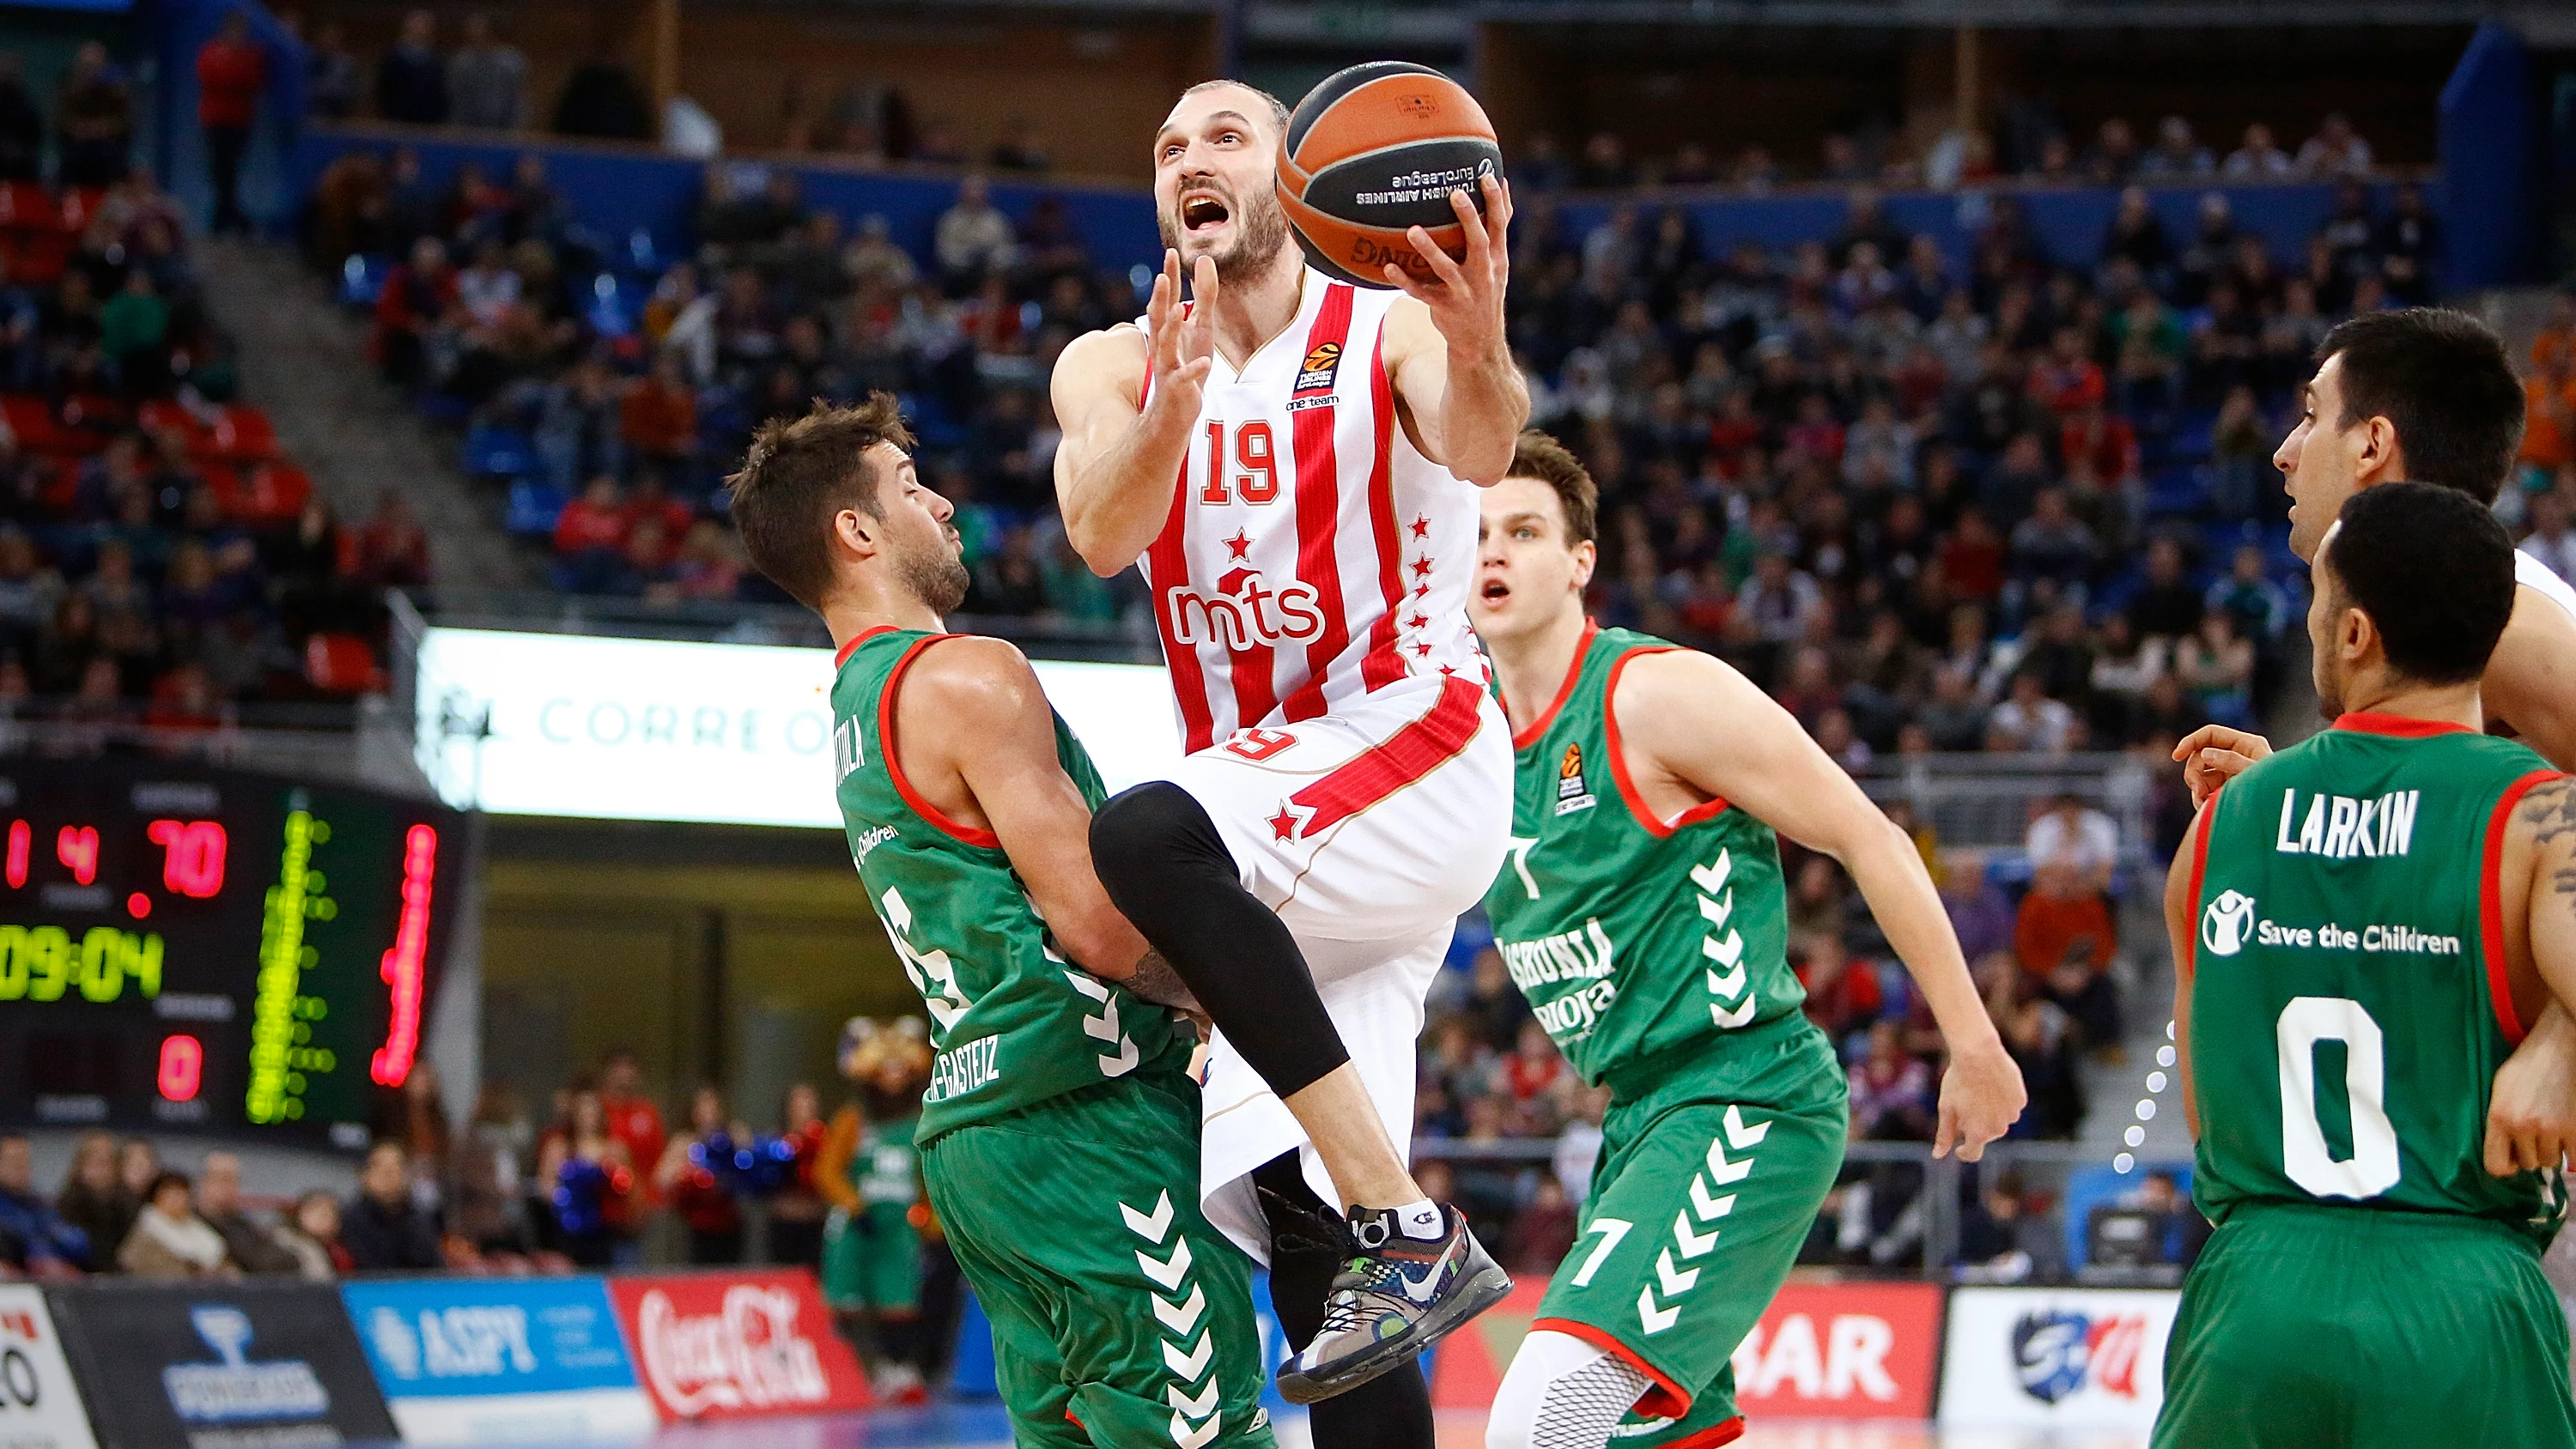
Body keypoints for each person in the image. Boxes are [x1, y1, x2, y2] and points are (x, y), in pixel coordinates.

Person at [1049, 77, 1524, 1415]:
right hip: (1276, 838)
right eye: (1166, 148)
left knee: (1138, 833)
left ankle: (1408, 1213)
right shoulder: (1110, 362)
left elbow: (1484, 438)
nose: (1189, 160)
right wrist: (1169, 415)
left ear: (1296, 177)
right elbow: (1102, 532)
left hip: (1406, 746)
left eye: (1223, 137)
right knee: (1322, 1264)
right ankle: (1387, 1230)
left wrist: (1479, 335)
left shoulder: (1387, 331)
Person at [726, 395, 1275, 1446]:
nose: (938, 499)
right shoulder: (970, 673)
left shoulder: (855, 710)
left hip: (975, 1141)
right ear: (858, 532)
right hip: (1086, 1114)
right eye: (905, 484)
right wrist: (1248, 995)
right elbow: (1104, 932)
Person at [1473, 432, 2023, 1449]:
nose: (1491, 554)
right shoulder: (1465, 746)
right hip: (1642, 1119)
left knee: (1545, 1417)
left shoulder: (1653, 693)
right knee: (1643, 1438)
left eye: (1522, 530)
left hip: (1743, 1093)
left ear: (1579, 560)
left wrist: (1972, 1037)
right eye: (1472, 536)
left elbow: (1869, 833)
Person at [2155, 482, 2576, 1446]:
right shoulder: (2545, 816)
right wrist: (2557, 1041)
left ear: (2352, 633)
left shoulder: (2225, 820)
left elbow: (2206, 1103)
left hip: (2254, 1300)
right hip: (2463, 1300)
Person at [2172, 309, 2576, 1171]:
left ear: (2373, 444)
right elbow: (2474, 844)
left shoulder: (2497, 609)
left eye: (2313, 413)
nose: (2285, 450)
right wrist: (2306, 793)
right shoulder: (2423, 593)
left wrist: (2563, 1041)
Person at [818, 1016, 934, 1404]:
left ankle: (896, 1368)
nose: (893, 1077)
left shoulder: (922, 1122)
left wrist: (932, 1224)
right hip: (856, 1224)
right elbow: (827, 1170)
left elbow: (930, 1181)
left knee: (899, 1301)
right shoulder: (853, 1120)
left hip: (899, 1227)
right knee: (843, 1299)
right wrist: (853, 1204)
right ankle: (842, 1371)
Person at [195, 9, 265, 235]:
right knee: (218, 169)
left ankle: (224, 218)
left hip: (239, 121)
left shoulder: (250, 56)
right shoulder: (211, 52)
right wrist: (230, 76)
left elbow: (251, 81)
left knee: (231, 169)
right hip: (215, 120)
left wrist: (232, 76)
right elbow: (210, 77)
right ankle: (231, 218)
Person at [342, 1140, 442, 1271]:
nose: (390, 1174)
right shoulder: (346, 1222)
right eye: (379, 1166)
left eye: (398, 1166)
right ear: (363, 1174)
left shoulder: (420, 1220)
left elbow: (433, 1269)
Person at [197, 1151, 301, 1276]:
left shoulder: (242, 1223)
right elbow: (253, 1261)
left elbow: (291, 1260)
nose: (229, 1187)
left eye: (234, 1180)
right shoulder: (196, 1222)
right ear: (203, 1183)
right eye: (222, 1179)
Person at [119, 1171, 234, 1278]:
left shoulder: (200, 1227)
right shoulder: (145, 1236)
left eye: (182, 1195)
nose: (178, 1201)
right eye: (172, 1195)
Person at [0, 1134, 86, 1273]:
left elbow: (79, 1245)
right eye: (13, 1161)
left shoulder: (39, 1205)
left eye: (25, 1160)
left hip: (55, 1284)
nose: (20, 1167)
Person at [53, 1131, 131, 1270]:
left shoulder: (127, 1201)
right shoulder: (69, 1202)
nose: (101, 1171)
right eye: (94, 1164)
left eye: (106, 1163)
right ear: (80, 1167)